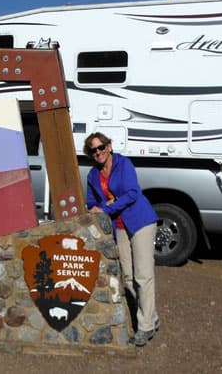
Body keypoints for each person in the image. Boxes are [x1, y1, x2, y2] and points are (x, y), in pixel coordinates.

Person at [83, 132, 160, 347]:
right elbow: (91, 201)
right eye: (93, 150)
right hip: (119, 226)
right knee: (128, 277)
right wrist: (95, 208)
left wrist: (106, 206)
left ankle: (144, 327)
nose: (97, 152)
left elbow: (132, 194)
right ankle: (151, 317)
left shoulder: (123, 164)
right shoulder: (92, 174)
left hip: (140, 221)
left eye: (101, 147)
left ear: (109, 146)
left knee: (143, 276)